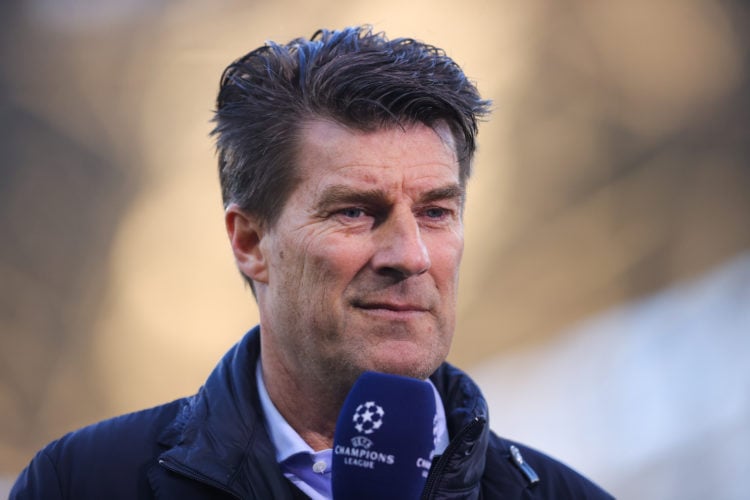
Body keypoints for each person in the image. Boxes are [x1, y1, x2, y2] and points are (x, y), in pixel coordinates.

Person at [11, 26, 613, 499]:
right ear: (250, 243)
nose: (410, 255)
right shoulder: (83, 483)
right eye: (355, 212)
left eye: (435, 212)